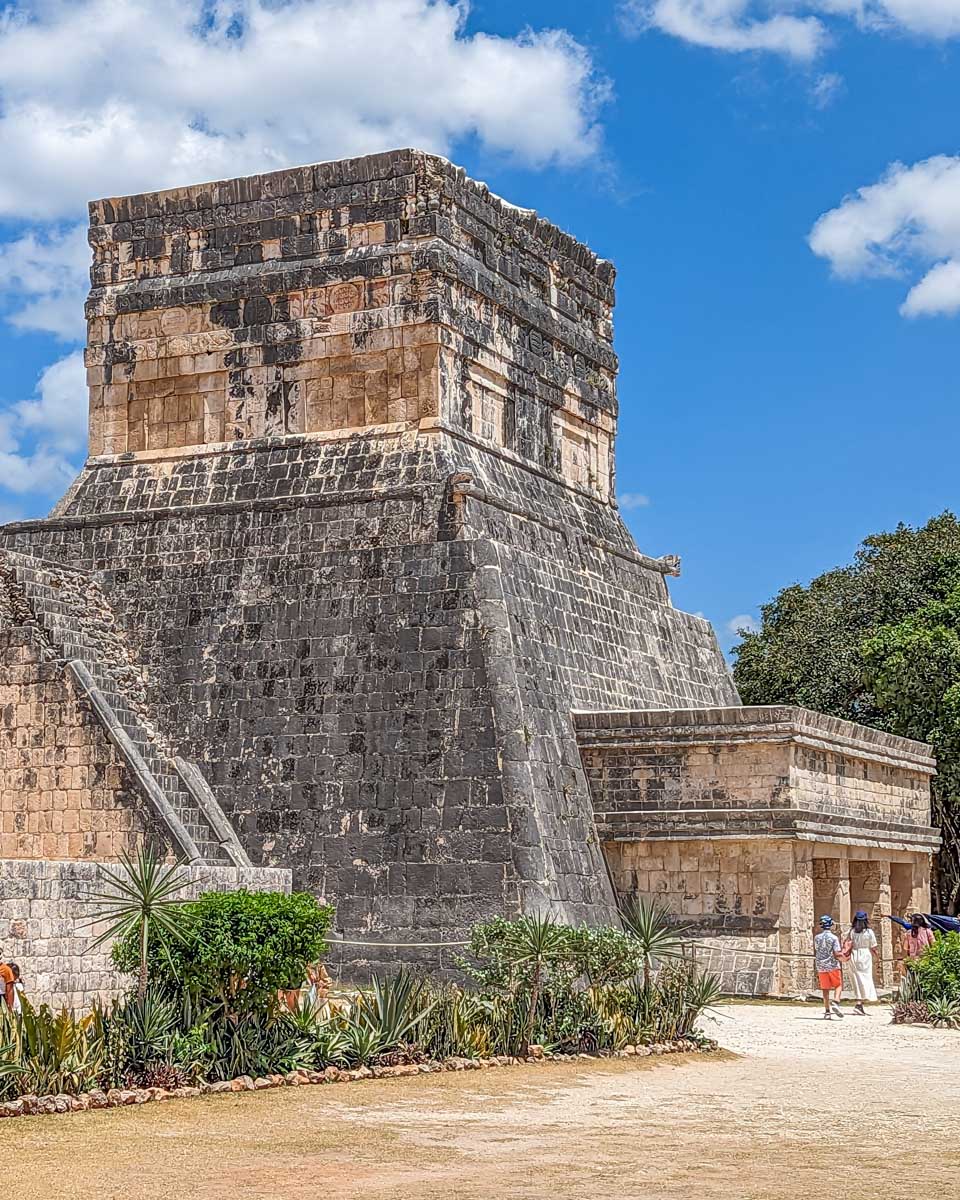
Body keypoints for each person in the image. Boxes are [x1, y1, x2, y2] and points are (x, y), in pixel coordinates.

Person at [846, 910, 879, 1015]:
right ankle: (860, 1002)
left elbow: (847, 942)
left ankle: (859, 1002)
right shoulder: (869, 932)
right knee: (866, 978)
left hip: (854, 955)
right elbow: (873, 947)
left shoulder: (852, 931)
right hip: (865, 955)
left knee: (856, 979)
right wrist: (877, 957)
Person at [814, 915, 845, 1020]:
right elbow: (836, 952)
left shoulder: (817, 938)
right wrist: (843, 958)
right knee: (838, 985)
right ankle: (836, 1001)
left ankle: (827, 1012)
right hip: (832, 964)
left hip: (820, 965)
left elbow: (817, 950)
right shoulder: (834, 938)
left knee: (825, 989)